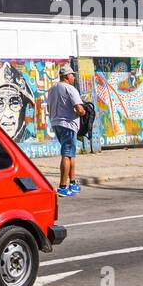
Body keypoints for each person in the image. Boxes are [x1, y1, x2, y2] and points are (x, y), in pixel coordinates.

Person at [46, 63, 87, 197]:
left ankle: (73, 183)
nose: (73, 78)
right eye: (72, 75)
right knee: (66, 154)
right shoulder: (70, 89)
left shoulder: (52, 89)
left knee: (70, 154)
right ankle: (63, 186)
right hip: (68, 124)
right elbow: (80, 109)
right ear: (66, 76)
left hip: (56, 123)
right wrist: (82, 112)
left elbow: (49, 108)